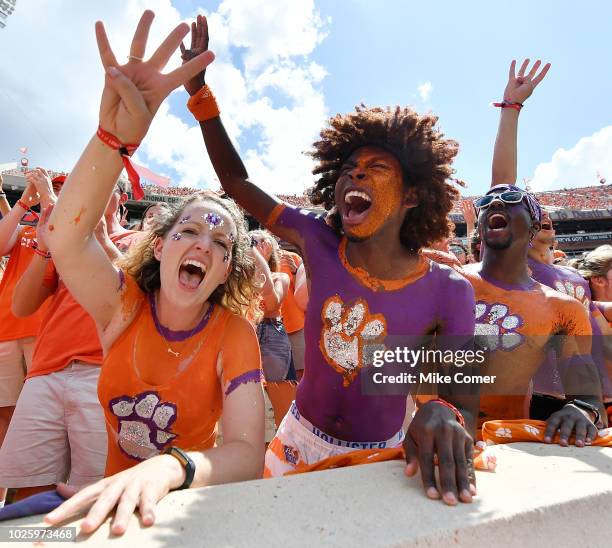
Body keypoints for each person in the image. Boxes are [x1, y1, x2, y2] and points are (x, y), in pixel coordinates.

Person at [183, 15, 478, 506]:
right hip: (296, 442)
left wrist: (442, 410)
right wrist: (201, 95)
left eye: (375, 169)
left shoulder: (450, 290)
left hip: (382, 458)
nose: (353, 177)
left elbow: (463, 396)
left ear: (412, 197)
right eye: (346, 170)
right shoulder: (317, 239)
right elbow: (238, 184)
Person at [42, 11, 264, 535]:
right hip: (110, 509)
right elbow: (64, 237)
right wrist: (113, 139)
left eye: (221, 241)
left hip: (186, 516)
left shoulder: (234, 335)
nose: (203, 245)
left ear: (226, 271)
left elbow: (248, 455)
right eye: (188, 232)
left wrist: (170, 467)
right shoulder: (123, 307)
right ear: (160, 247)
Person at [0, 174, 137, 502]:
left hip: (102, 371)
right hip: (45, 371)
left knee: (91, 496)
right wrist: (45, 250)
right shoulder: (66, 239)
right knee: (27, 491)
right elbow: (22, 305)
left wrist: (103, 243)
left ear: (120, 199)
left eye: (103, 185)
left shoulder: (138, 240)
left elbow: (144, 294)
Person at [489, 58, 611, 421]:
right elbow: (502, 187)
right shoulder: (516, 267)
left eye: (546, 214)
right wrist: (511, 109)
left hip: (586, 401)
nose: (544, 216)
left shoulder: (577, 282)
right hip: (534, 397)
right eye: (532, 213)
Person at [0, 169, 63, 507]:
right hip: (4, 330)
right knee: (4, 416)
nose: (51, 193)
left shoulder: (76, 231)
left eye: (59, 190)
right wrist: (24, 201)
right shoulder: (25, 228)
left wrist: (49, 201)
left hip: (47, 334)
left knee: (41, 420)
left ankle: (30, 504)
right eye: (52, 188)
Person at [249, 230, 292, 381]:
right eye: (253, 242)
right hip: (246, 329)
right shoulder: (239, 276)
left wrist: (260, 262)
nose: (257, 246)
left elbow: (272, 304)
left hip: (271, 331)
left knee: (274, 386)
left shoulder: (280, 277)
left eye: (262, 241)